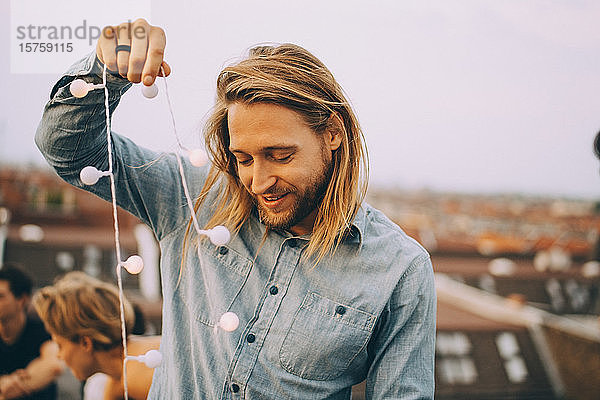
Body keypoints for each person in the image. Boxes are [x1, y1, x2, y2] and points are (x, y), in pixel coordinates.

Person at [35, 19, 436, 399]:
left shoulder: (400, 269)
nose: (258, 182)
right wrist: (102, 70)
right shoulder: (193, 198)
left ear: (332, 132)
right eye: (243, 158)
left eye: (279, 155)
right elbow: (67, 152)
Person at [32, 271, 160, 400]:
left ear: (85, 343)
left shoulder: (139, 374)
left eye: (60, 346)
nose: (59, 355)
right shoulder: (118, 379)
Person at [0, 263, 63, 400]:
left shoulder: (42, 330)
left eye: (1, 296)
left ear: (22, 300)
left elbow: (53, 365)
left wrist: (12, 384)